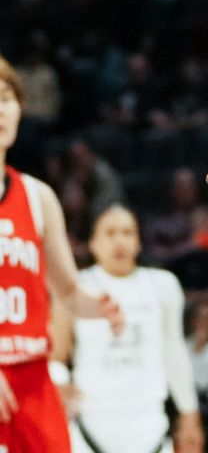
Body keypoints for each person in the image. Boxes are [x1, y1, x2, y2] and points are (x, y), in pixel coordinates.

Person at [0, 54, 123, 451]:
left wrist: (98, 306)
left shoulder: (39, 197)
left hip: (33, 381)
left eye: (6, 97)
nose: (0, 110)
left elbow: (67, 291)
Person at [63, 204, 203, 453]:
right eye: (110, 233)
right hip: (90, 425)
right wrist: (59, 380)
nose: (120, 241)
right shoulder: (77, 287)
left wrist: (189, 412)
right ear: (93, 243)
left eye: (128, 233)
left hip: (149, 426)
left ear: (139, 242)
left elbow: (174, 351)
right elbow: (57, 351)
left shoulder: (163, 285)